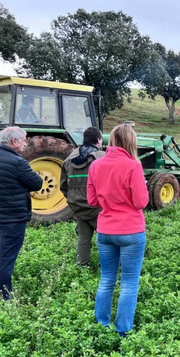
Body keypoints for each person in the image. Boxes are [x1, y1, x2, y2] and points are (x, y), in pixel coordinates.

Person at [87, 124, 149, 336]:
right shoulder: (133, 166)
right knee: (129, 283)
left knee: (106, 279)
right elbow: (141, 202)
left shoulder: (96, 165)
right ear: (131, 141)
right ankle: (123, 330)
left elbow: (92, 199)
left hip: (105, 230)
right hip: (131, 230)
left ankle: (101, 324)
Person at [0, 127, 42, 299]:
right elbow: (37, 183)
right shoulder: (18, 163)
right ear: (14, 141)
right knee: (6, 257)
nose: (26, 144)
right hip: (12, 219)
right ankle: (2, 295)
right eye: (24, 140)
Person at [60, 127, 105, 267]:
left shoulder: (68, 159)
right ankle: (113, 266)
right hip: (97, 208)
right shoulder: (102, 158)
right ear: (98, 140)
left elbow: (63, 186)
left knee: (84, 236)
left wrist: (74, 200)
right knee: (109, 237)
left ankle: (82, 265)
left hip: (77, 206)